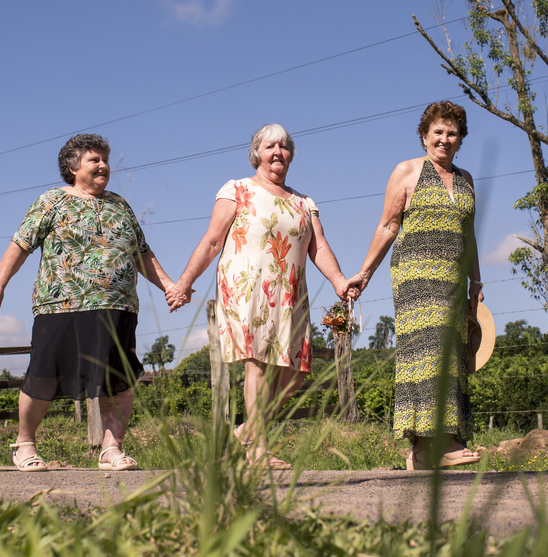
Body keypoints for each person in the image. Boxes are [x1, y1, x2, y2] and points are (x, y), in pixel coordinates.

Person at [0, 134, 175, 472]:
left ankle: (111, 449)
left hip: (118, 307)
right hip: (62, 304)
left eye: (105, 160)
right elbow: (21, 244)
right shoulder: (52, 201)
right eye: (94, 160)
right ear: (73, 167)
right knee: (43, 376)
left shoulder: (120, 205)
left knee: (118, 380)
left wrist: (170, 286)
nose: (103, 166)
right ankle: (24, 444)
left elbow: (142, 253)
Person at [166, 124, 353, 469]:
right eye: (270, 146)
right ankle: (257, 449)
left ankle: (246, 433)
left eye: (284, 146)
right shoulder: (237, 189)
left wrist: (340, 280)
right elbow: (211, 241)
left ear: (291, 155)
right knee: (259, 361)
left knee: (296, 370)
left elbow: (319, 246)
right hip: (247, 287)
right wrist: (185, 282)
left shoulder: (304, 202)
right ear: (257, 154)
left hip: (291, 293)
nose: (278, 152)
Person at [346, 101, 482, 470]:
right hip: (416, 275)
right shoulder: (407, 171)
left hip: (454, 279)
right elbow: (388, 225)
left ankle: (433, 447)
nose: (444, 139)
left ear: (460, 139)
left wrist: (476, 280)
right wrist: (365, 272)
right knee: (426, 352)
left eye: (452, 133)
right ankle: (429, 445)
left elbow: (468, 235)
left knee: (451, 355)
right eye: (438, 132)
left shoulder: (467, 180)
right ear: (424, 136)